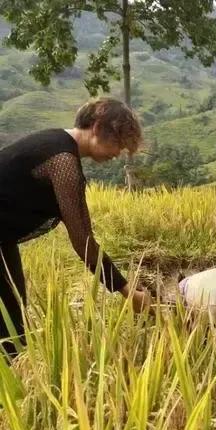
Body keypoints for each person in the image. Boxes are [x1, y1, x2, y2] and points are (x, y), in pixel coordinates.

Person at [0, 98, 152, 357]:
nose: (117, 153)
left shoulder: (57, 146)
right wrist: (127, 291)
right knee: (10, 326)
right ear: (97, 127)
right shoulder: (62, 161)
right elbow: (84, 243)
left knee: (12, 319)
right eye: (117, 143)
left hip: (3, 240)